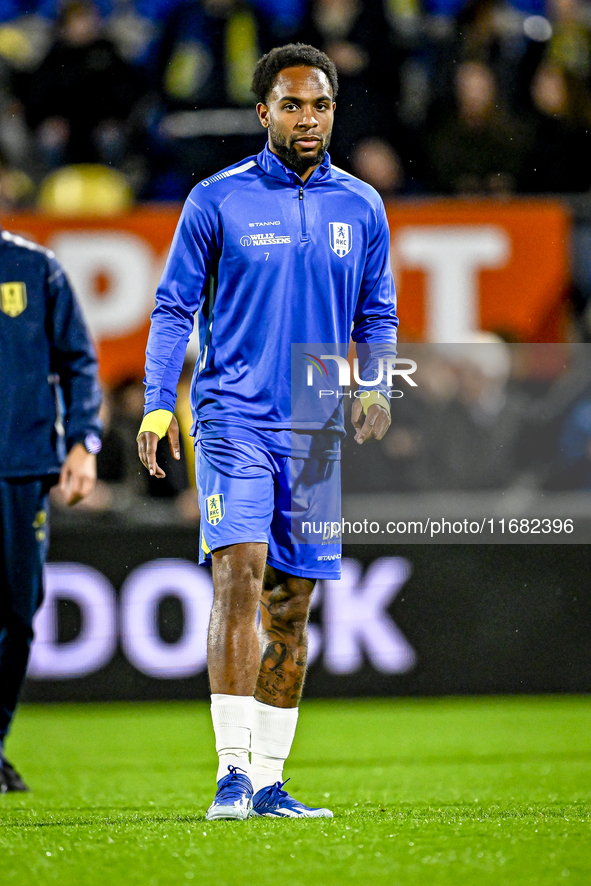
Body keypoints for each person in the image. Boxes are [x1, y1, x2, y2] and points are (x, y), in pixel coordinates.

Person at [137, 43, 397, 820]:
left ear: (332, 113)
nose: (306, 118)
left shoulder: (362, 206)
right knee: (239, 573)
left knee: (292, 606)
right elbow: (173, 308)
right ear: (263, 113)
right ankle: (231, 776)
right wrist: (158, 401)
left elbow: (376, 313)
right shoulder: (215, 200)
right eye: (291, 105)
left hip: (314, 430)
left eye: (318, 105)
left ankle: (271, 781)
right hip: (232, 418)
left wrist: (375, 385)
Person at [0, 226, 102, 792]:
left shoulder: (35, 268)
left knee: (16, 615)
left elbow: (79, 363)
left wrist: (84, 443)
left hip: (19, 466)